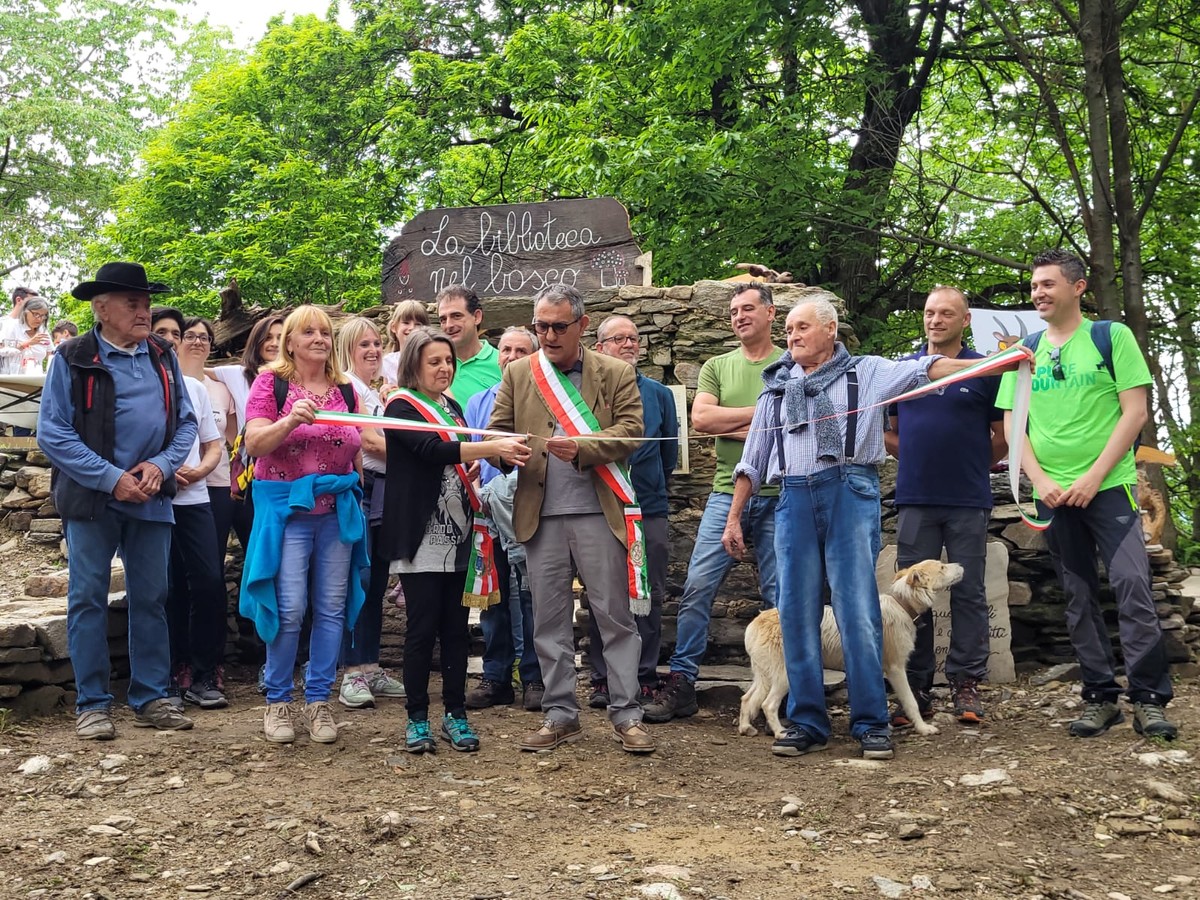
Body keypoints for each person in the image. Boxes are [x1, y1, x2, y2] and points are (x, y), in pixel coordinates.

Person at [726, 295, 1025, 760]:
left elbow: (932, 369)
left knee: (858, 609)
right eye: (788, 329)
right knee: (795, 610)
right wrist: (733, 517)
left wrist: (1003, 362)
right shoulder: (776, 387)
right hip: (793, 497)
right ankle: (807, 722)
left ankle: (870, 722)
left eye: (802, 326)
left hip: (850, 490)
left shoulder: (867, 372)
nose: (792, 336)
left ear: (830, 329)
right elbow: (753, 461)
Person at [997, 248, 1177, 740]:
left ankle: (1149, 700)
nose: (1038, 292)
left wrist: (1095, 476)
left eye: (1048, 284)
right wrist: (1039, 479)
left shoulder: (1109, 337)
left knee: (1133, 589)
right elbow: (1014, 425)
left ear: (1077, 287)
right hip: (1052, 494)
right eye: (1034, 285)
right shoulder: (1024, 350)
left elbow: (1135, 413)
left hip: (1109, 487)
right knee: (1076, 597)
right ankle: (1100, 697)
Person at [487, 283, 656, 754]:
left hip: (600, 512)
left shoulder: (616, 371)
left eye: (558, 326)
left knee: (615, 618)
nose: (548, 335)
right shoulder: (521, 372)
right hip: (538, 514)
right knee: (548, 620)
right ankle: (560, 713)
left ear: (582, 325)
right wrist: (505, 452)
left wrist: (583, 447)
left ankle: (627, 714)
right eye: (541, 326)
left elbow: (632, 431)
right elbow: (497, 433)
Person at [37, 261, 199, 740]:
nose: (144, 311)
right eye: (133, 303)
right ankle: (92, 704)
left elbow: (186, 424)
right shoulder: (71, 356)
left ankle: (150, 696)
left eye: (146, 303)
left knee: (152, 598)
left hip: (151, 494)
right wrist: (112, 479)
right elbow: (53, 433)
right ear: (101, 308)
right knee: (86, 598)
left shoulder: (162, 357)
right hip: (92, 499)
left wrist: (162, 466)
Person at [378, 327, 530, 753]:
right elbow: (431, 451)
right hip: (421, 534)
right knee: (421, 630)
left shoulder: (453, 406)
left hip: (460, 531)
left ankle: (455, 714)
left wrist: (506, 452)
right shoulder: (400, 405)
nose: (444, 368)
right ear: (413, 365)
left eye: (448, 361)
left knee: (457, 631)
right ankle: (416, 718)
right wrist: (488, 447)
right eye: (434, 362)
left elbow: (465, 453)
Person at [644, 283, 784, 724]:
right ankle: (683, 682)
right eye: (732, 310)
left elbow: (794, 425)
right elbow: (702, 419)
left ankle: (787, 692)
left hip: (783, 497)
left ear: (770, 313)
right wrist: (765, 416)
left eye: (747, 309)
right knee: (697, 591)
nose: (738, 316)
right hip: (725, 493)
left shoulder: (790, 363)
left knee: (782, 599)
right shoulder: (716, 366)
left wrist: (737, 420)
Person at [239, 305, 369, 745]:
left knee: (331, 609)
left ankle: (318, 702)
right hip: (288, 515)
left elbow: (358, 448)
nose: (318, 339)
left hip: (336, 512)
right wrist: (290, 419)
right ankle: (277, 700)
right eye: (307, 332)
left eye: (325, 332)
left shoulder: (347, 389)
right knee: (290, 609)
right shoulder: (270, 384)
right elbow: (255, 443)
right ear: (289, 341)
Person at [884, 286, 1005, 726]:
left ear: (965, 320)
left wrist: (972, 464)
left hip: (968, 499)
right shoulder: (902, 370)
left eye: (946, 313)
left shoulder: (985, 370)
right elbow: (890, 432)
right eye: (930, 313)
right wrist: (917, 459)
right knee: (911, 593)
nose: (935, 320)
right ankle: (915, 687)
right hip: (915, 498)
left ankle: (966, 684)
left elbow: (1003, 434)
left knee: (969, 592)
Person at [588, 315, 677, 708]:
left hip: (649, 507)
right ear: (599, 346)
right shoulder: (587, 393)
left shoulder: (659, 394)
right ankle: (602, 678)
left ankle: (643, 675)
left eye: (634, 338)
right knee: (600, 592)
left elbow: (668, 455)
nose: (628, 344)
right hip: (601, 507)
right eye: (618, 339)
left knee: (650, 593)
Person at [150, 308, 228, 710]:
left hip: (194, 498)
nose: (169, 338)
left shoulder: (195, 389)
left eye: (174, 333)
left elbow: (214, 443)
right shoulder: (139, 383)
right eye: (160, 331)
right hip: (151, 499)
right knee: (163, 588)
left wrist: (198, 471)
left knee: (209, 584)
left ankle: (204, 672)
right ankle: (166, 674)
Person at [463, 326, 544, 711]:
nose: (511, 356)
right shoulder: (479, 401)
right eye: (505, 349)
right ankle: (496, 677)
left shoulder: (546, 400)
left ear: (534, 356)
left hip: (532, 510)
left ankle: (534, 677)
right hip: (489, 513)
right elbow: (474, 453)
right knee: (491, 597)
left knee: (532, 597)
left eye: (520, 350)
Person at [334, 317, 405, 709]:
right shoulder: (346, 390)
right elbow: (368, 441)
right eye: (364, 345)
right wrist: (419, 458)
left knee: (376, 582)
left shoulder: (377, 393)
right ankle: (351, 673)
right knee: (356, 582)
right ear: (347, 349)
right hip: (360, 493)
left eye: (377, 343)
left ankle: (372, 665)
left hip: (382, 494)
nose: (374, 350)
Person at [180, 317, 238, 587]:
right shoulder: (167, 384)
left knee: (210, 566)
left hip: (218, 484)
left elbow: (237, 439)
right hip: (178, 484)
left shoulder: (222, 389)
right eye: (190, 336)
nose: (197, 342)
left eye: (204, 338)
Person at [437, 286, 501, 405]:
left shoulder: (501, 362)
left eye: (456, 316)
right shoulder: (432, 365)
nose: (449, 325)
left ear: (477, 317)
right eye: (443, 319)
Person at [380, 299, 431, 386]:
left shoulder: (429, 358)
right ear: (394, 327)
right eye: (406, 323)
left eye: (418, 324)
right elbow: (386, 390)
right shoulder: (389, 361)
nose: (412, 327)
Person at [3, 295, 52, 371]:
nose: (39, 319)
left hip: (35, 379)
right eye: (36, 314)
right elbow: (2, 351)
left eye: (43, 316)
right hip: (11, 378)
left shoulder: (43, 331)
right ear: (25, 311)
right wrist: (27, 343)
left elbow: (51, 355)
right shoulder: (12, 326)